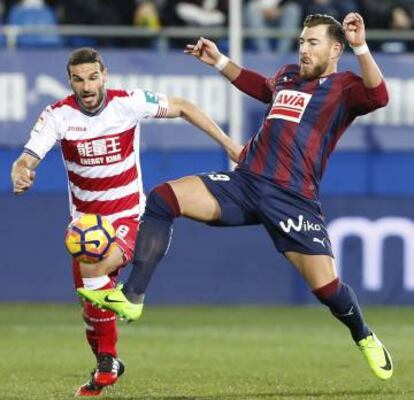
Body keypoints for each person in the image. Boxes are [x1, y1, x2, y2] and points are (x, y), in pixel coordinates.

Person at [77, 13, 394, 381]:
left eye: (313, 43)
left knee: (327, 289)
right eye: (302, 42)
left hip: (291, 198)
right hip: (244, 183)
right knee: (164, 198)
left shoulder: (345, 87)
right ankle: (132, 296)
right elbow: (262, 87)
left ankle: (364, 334)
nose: (304, 49)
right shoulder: (289, 75)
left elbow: (379, 95)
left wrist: (361, 46)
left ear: (335, 48)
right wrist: (220, 62)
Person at [10, 47, 241, 397]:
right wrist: (22, 173)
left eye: (92, 77)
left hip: (130, 217)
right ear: (69, 80)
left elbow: (183, 106)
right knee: (91, 314)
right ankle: (110, 361)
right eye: (78, 79)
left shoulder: (128, 104)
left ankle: (124, 317)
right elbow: (26, 158)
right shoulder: (57, 115)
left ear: (105, 75)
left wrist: (228, 143)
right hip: (85, 226)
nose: (86, 86)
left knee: (94, 267)